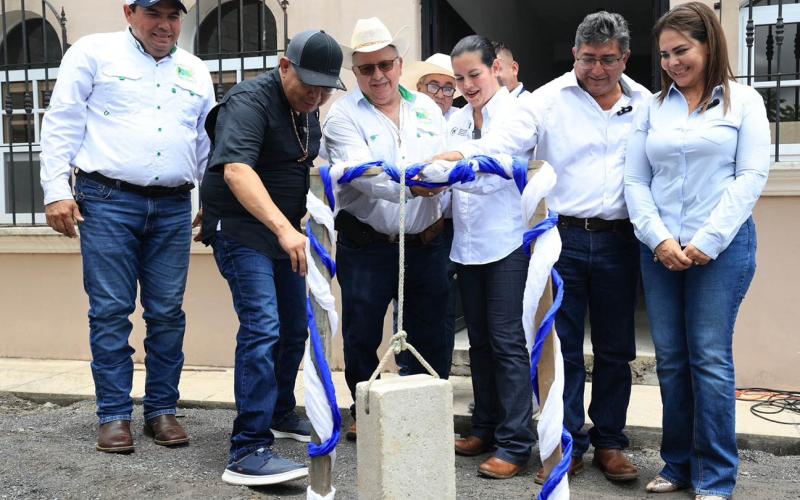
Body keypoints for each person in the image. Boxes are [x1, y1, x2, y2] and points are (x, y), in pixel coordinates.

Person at [435, 11, 651, 484]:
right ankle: (565, 442)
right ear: (575, 54)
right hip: (562, 239)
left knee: (616, 350)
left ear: (625, 58)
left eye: (608, 60)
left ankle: (610, 443)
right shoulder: (547, 102)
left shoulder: (647, 104)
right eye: (588, 59)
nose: (597, 69)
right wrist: (453, 161)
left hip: (619, 240)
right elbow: (502, 145)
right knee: (560, 347)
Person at [39, 0, 214, 454]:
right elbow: (62, 120)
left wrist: (209, 201)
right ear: (129, 12)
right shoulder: (93, 53)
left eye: (174, 16)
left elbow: (204, 140)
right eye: (154, 13)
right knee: (111, 311)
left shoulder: (195, 71)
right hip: (107, 201)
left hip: (174, 205)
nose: (165, 24)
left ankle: (161, 411)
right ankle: (114, 415)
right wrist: (56, 189)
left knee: (167, 313)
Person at [624, 3, 769, 499]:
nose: (671, 62)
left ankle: (716, 476)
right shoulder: (651, 108)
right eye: (664, 54)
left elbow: (751, 177)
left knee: (708, 358)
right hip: (659, 249)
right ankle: (678, 463)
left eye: (681, 50)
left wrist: (706, 241)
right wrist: (660, 239)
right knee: (670, 361)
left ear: (708, 44)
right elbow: (635, 179)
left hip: (721, 250)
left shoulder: (744, 102)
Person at [199, 30, 346, 486]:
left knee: (292, 326)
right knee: (262, 326)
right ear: (284, 66)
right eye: (309, 85)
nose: (316, 96)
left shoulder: (308, 108)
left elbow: (297, 165)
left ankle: (280, 412)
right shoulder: (249, 101)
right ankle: (246, 450)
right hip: (245, 232)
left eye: (326, 88)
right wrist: (284, 229)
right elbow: (237, 168)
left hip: (283, 235)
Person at [321, 17, 451, 441]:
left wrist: (438, 175)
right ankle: (367, 411)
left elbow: (447, 162)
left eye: (385, 65)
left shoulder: (428, 109)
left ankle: (425, 410)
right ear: (354, 72)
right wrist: (419, 183)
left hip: (428, 243)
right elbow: (365, 177)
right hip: (367, 244)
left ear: (399, 64)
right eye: (366, 68)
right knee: (362, 332)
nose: (378, 75)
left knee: (431, 330)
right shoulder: (340, 117)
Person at [443, 35, 535, 480]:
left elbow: (495, 158)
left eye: (474, 74)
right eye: (459, 78)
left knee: (506, 341)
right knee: (478, 342)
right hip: (467, 245)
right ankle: (484, 426)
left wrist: (453, 162)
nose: (467, 85)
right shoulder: (456, 119)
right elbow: (440, 167)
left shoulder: (517, 113)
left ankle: (516, 443)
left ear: (496, 68)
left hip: (507, 244)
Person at [401, 52, 460, 119]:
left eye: (448, 89)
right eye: (433, 87)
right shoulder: (404, 118)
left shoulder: (462, 120)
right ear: (419, 88)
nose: (440, 95)